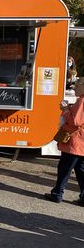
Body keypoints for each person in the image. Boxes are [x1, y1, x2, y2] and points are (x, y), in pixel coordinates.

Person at [44, 77, 84, 206]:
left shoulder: (82, 101)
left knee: (65, 168)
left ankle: (57, 193)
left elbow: (76, 122)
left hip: (75, 141)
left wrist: (65, 109)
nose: (75, 88)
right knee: (80, 169)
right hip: (81, 141)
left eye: (77, 86)